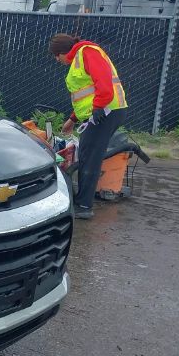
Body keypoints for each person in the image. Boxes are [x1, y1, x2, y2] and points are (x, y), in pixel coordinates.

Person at [48, 34, 128, 220]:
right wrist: (72, 119)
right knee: (86, 153)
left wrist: (99, 107)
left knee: (90, 157)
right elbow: (85, 95)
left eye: (55, 55)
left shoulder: (87, 52)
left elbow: (104, 82)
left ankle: (84, 206)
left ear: (61, 52)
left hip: (107, 111)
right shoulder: (80, 57)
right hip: (102, 111)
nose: (56, 59)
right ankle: (82, 201)